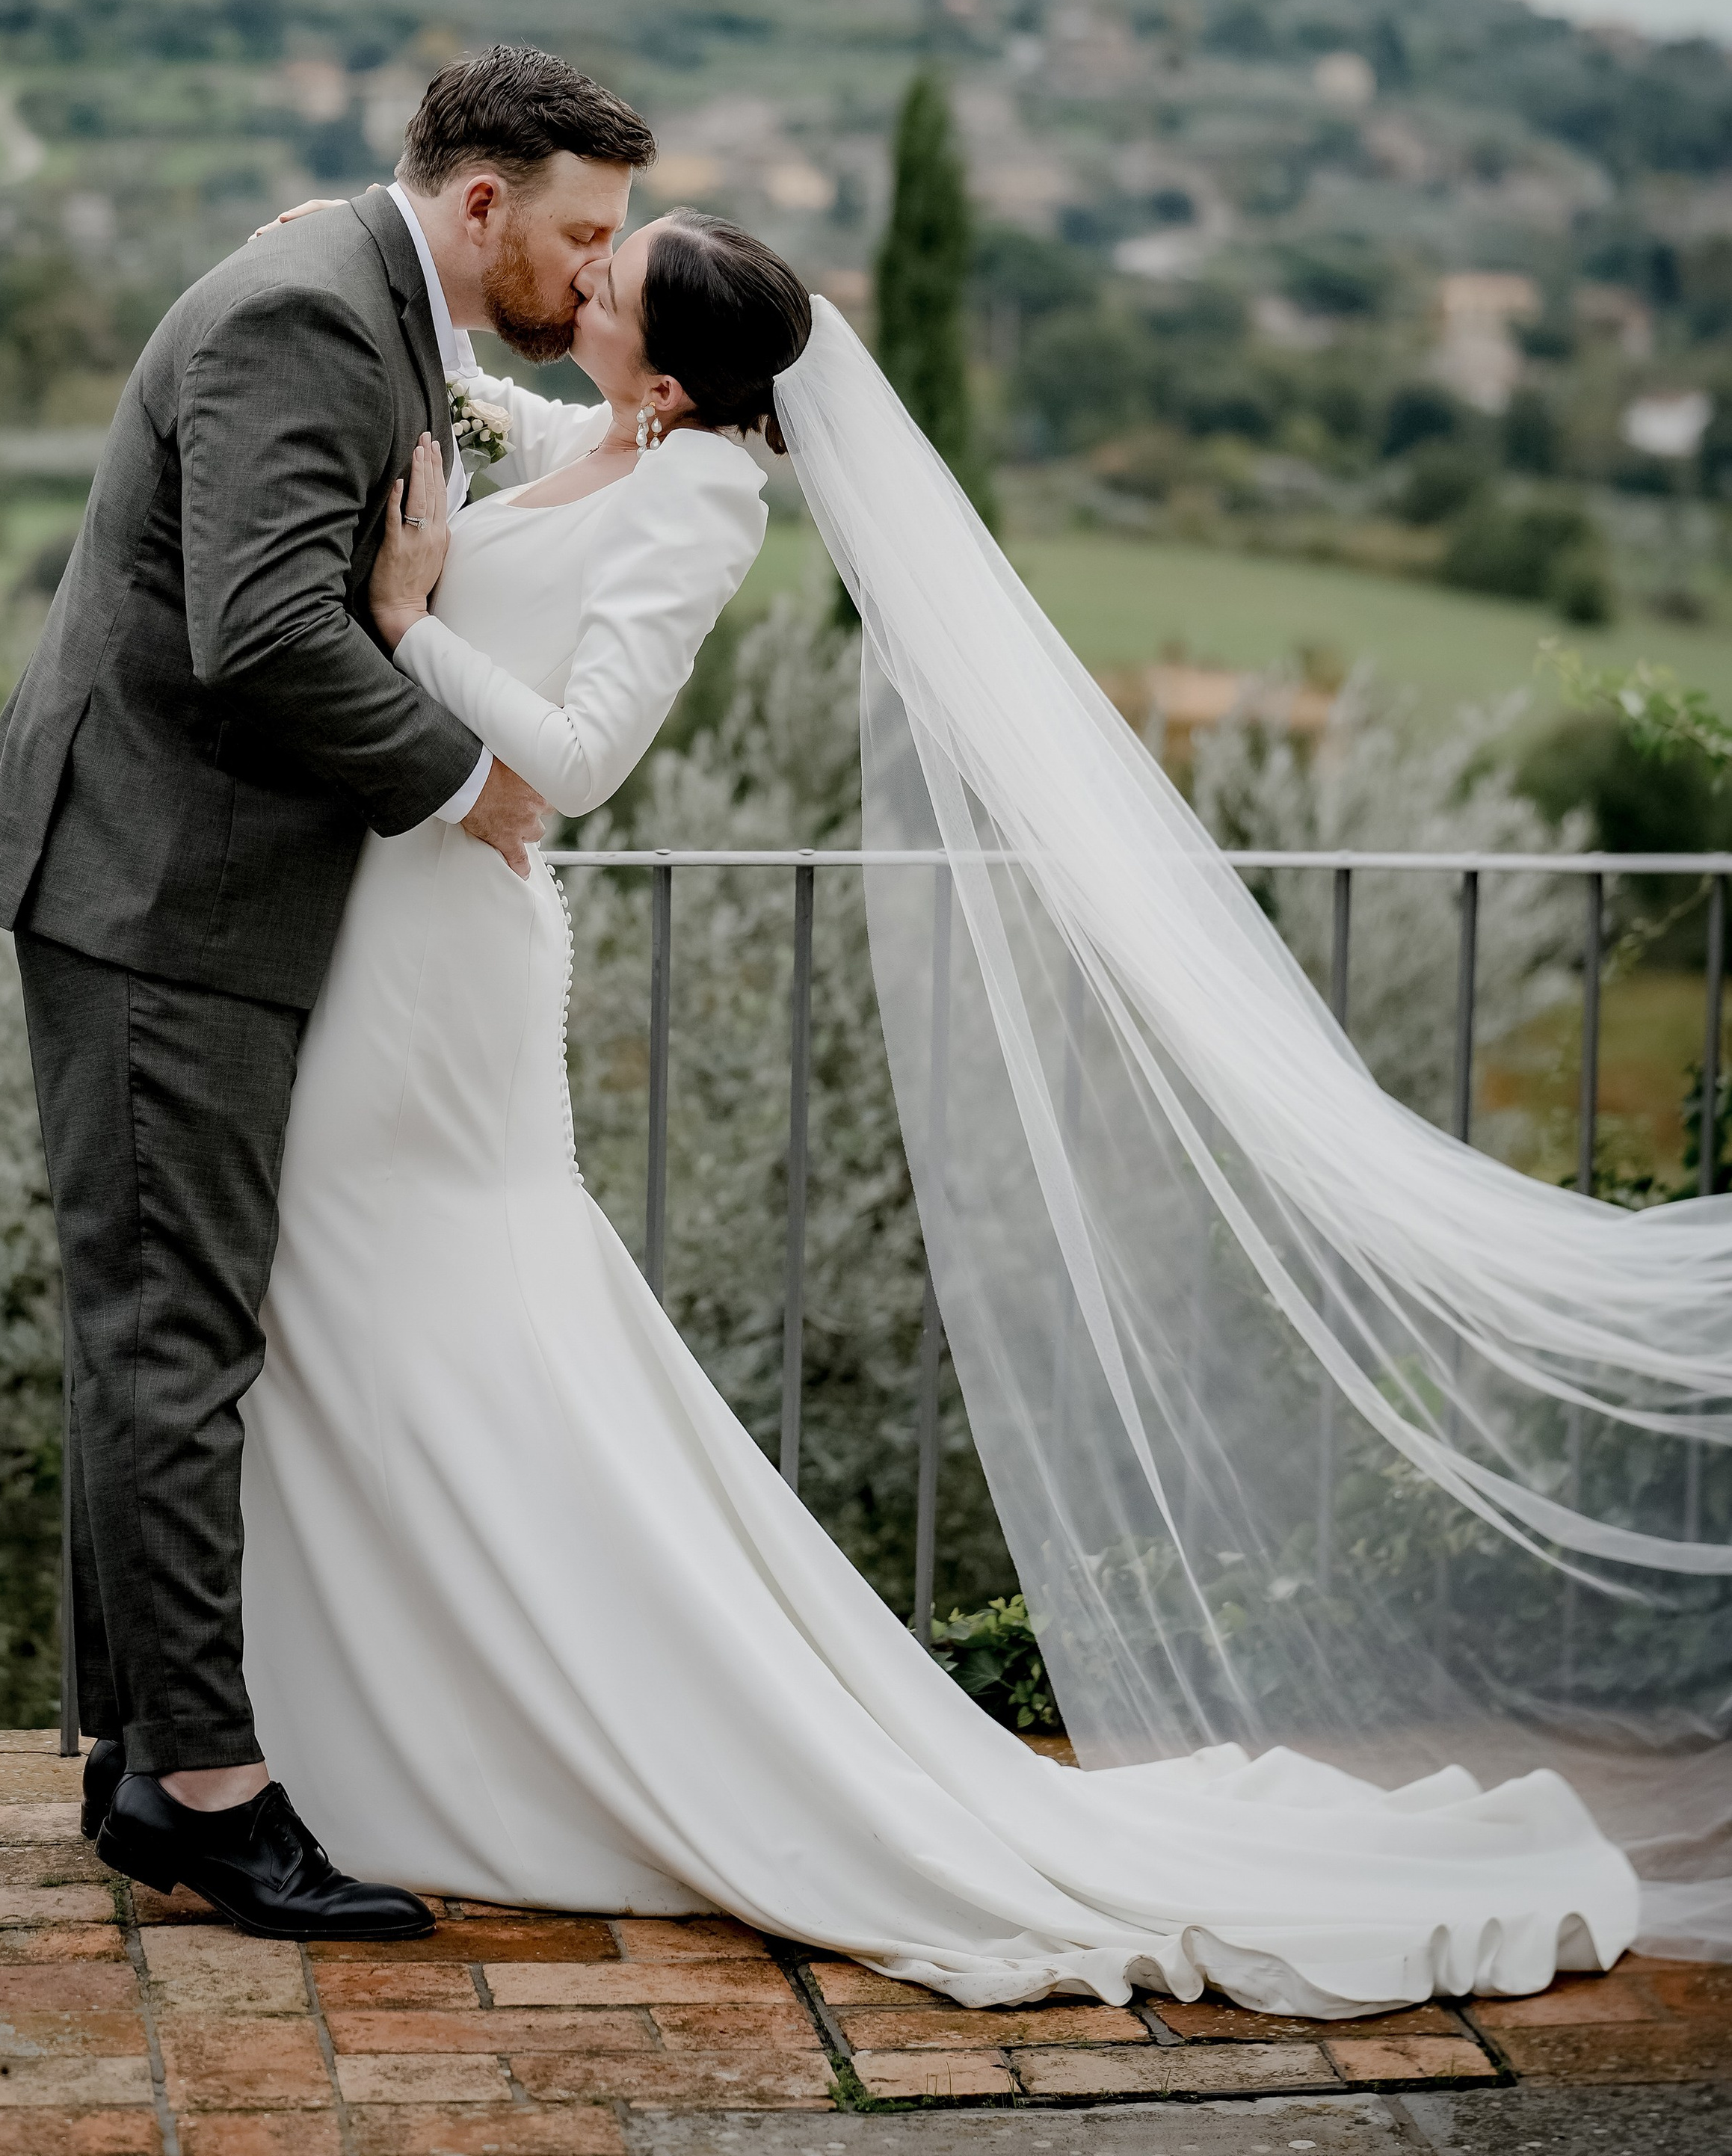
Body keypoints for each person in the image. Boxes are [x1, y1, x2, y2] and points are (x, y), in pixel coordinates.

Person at [234, 207, 1659, 2015]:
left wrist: (400, 622)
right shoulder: (598, 442)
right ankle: (383, 1720)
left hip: (449, 960)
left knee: (418, 1308)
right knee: (361, 1314)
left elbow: (580, 760)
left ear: (669, 380)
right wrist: (358, 292)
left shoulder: (698, 498)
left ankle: (470, 1740)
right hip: (389, 925)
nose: (575, 280)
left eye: (608, 280)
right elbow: (476, 429)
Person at [0, 46, 656, 1938]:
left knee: (164, 1324)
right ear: (481, 200)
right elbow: (256, 627)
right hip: (159, 885)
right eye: (583, 233)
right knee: (174, 1338)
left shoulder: (367, 296)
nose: (597, 272)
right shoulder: (310, 313)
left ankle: (139, 1754)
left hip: (192, 880)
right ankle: (209, 1795)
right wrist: (465, 783)